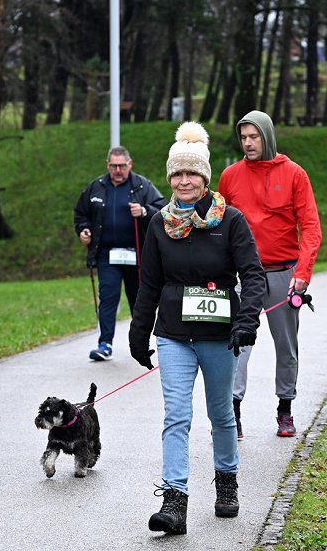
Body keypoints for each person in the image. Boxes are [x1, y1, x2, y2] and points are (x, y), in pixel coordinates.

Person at [128, 122, 265, 535]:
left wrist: (247, 321)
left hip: (220, 335)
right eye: (177, 174)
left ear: (204, 178)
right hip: (174, 335)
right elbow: (149, 283)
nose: (184, 181)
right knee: (176, 416)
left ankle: (227, 482)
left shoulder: (231, 220)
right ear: (170, 178)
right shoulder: (159, 223)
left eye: (191, 173)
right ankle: (174, 500)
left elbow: (253, 275)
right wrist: (138, 332)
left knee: (221, 414)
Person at [218, 110, 322, 439]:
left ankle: (285, 407)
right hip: (242, 276)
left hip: (283, 273)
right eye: (243, 137)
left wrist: (302, 273)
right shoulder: (230, 176)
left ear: (267, 136)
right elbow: (218, 226)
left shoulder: (294, 174)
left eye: (254, 137)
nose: (248, 143)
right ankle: (233, 411)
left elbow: (311, 227)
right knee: (237, 343)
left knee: (286, 345)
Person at [74, 146, 167, 361]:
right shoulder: (96, 187)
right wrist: (83, 230)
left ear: (130, 164)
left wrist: (144, 211)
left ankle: (142, 342)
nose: (118, 170)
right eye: (113, 166)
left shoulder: (142, 185)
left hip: (138, 254)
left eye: (122, 166)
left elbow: (162, 211)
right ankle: (104, 343)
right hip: (107, 254)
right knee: (108, 297)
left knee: (139, 300)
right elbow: (81, 214)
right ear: (107, 165)